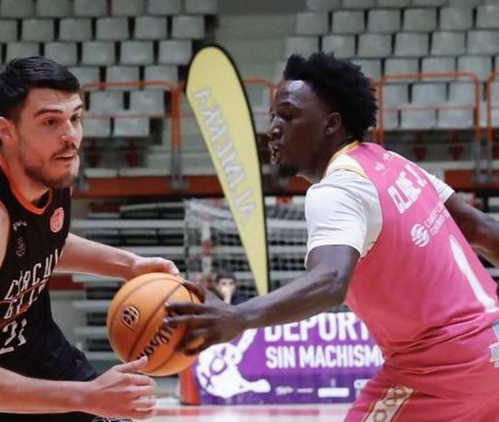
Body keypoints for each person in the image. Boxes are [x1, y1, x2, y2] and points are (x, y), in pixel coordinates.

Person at [167, 52, 499, 421]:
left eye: (288, 116)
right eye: (273, 116)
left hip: (442, 364)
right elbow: (482, 229)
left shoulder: (338, 188)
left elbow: (330, 281)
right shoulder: (391, 162)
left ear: (331, 124)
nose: (272, 129)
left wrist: (238, 317)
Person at [0, 56, 179, 421]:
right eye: (50, 122)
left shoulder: (50, 166)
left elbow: (43, 240)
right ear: (6, 131)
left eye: (75, 118)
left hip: (39, 356)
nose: (70, 136)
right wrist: (88, 395)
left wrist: (129, 265)